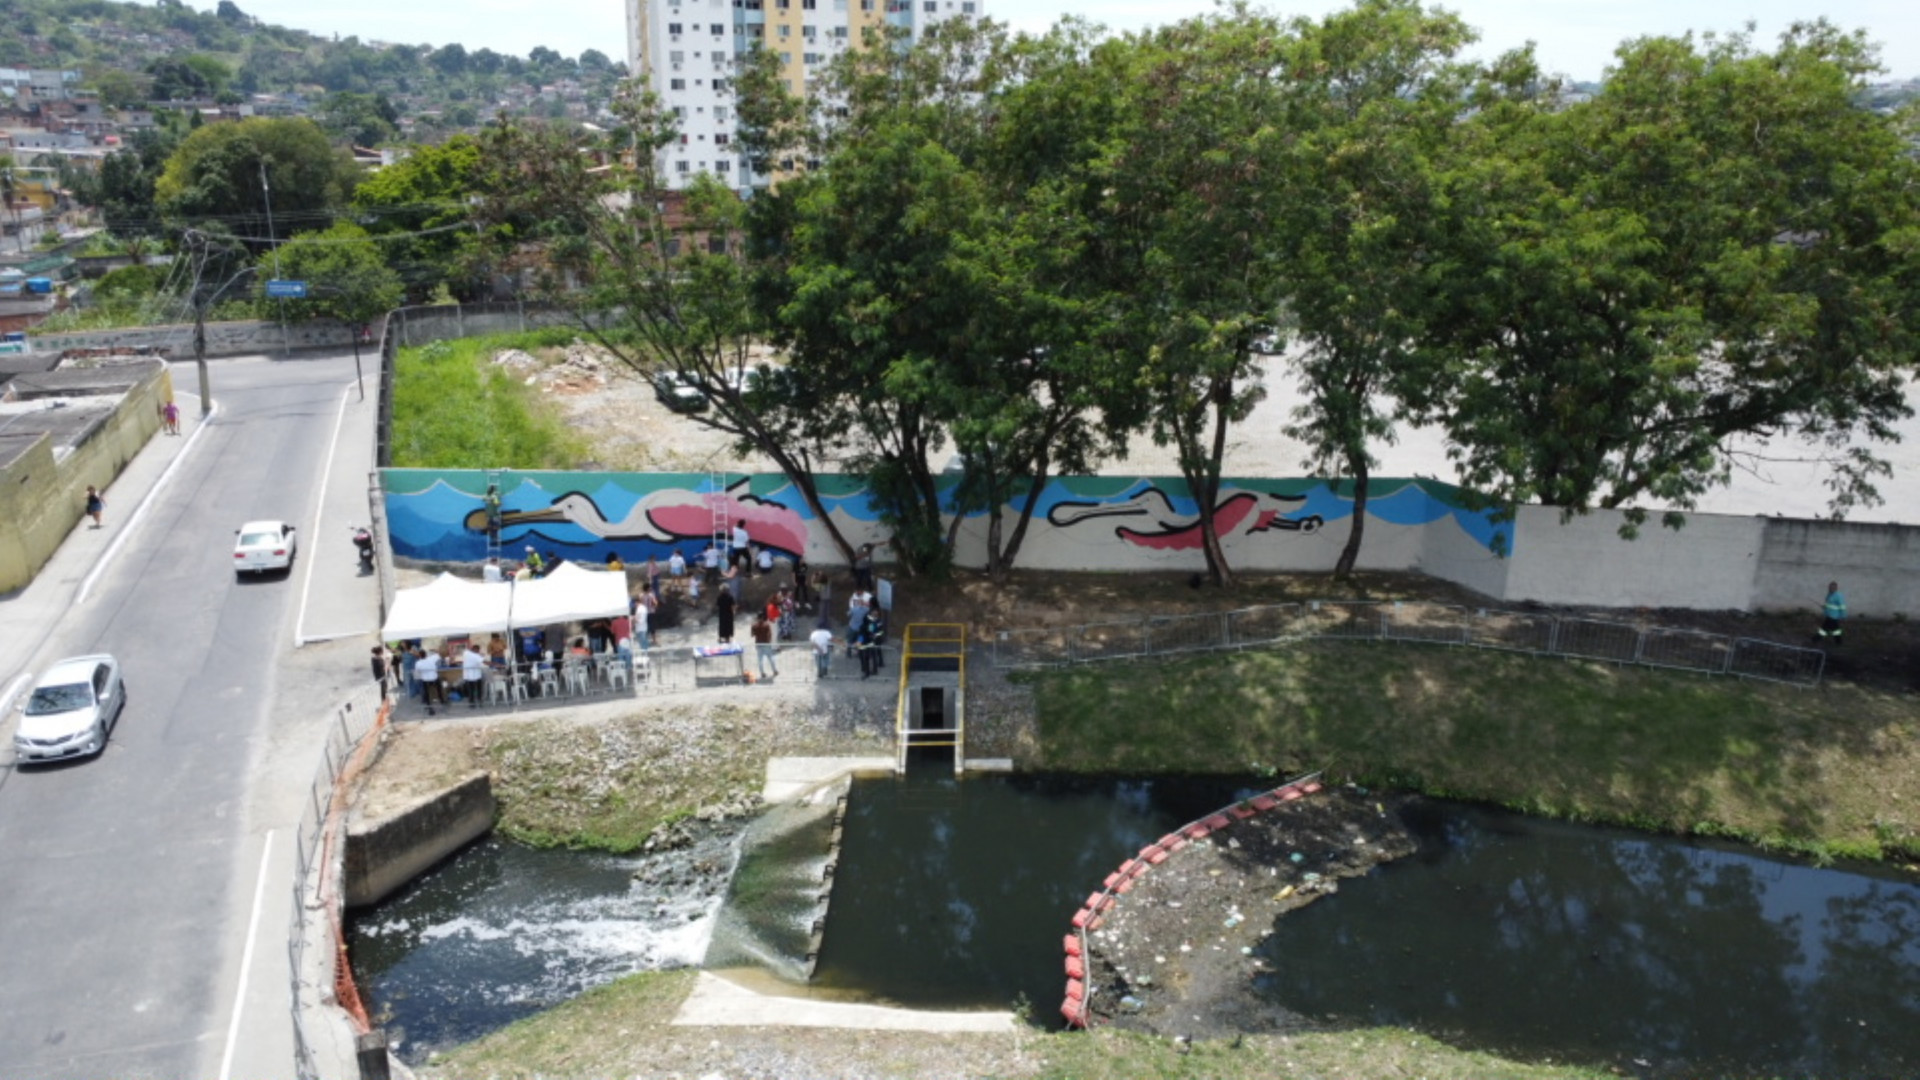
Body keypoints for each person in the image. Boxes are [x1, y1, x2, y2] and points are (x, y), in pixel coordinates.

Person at [415, 648, 444, 714]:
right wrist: (434, 650)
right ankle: (442, 701)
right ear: (426, 654)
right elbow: (438, 654)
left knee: (426, 693)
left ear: (419, 655)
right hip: (434, 678)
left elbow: (417, 674)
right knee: (439, 690)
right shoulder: (432, 658)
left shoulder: (418, 663)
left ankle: (429, 707)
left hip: (426, 680)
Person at [751, 611, 778, 679]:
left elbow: (752, 635)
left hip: (758, 644)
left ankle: (762, 673)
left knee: (760, 660)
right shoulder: (766, 625)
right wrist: (769, 642)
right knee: (771, 658)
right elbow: (770, 634)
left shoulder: (754, 626)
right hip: (766, 643)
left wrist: (753, 627)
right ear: (763, 617)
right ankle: (774, 671)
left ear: (757, 618)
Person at [461, 643, 486, 707]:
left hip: (468, 676)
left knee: (471, 690)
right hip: (476, 675)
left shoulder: (466, 653)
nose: (478, 651)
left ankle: (472, 704)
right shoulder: (476, 656)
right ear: (476, 649)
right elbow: (484, 662)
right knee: (479, 689)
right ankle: (480, 702)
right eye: (478, 650)